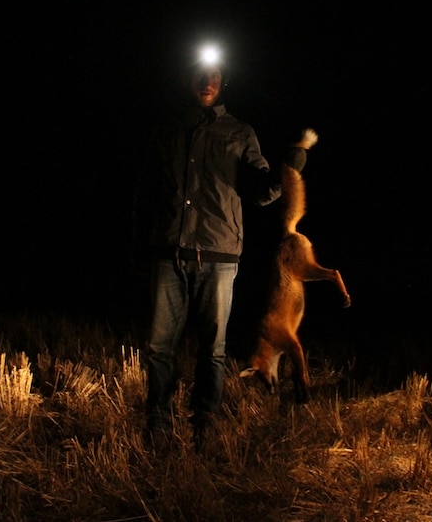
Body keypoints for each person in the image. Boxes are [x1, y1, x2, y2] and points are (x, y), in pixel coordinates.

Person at [131, 42, 308, 453]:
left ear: (223, 81)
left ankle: (204, 422)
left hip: (219, 257)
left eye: (214, 75)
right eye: (198, 73)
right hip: (167, 254)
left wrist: (287, 173)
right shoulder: (167, 129)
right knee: (159, 346)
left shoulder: (239, 133)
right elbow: (145, 193)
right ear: (186, 79)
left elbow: (262, 193)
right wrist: (140, 245)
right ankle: (157, 421)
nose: (206, 81)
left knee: (213, 349)